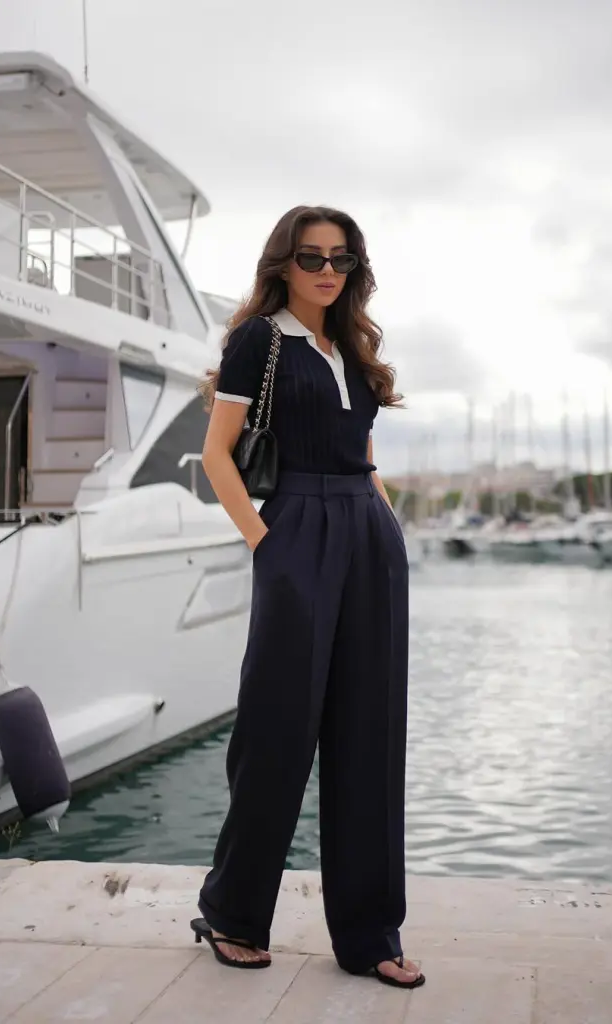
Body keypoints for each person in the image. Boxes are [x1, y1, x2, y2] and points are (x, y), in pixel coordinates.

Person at [191, 205, 424, 989]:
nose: (327, 270)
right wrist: (266, 544)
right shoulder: (258, 342)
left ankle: (369, 934)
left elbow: (364, 456)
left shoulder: (351, 347)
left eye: (341, 259)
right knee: (277, 729)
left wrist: (387, 529)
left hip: (368, 536)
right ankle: (232, 913)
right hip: (294, 528)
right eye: (311, 256)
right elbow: (216, 455)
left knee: (370, 737)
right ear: (283, 264)